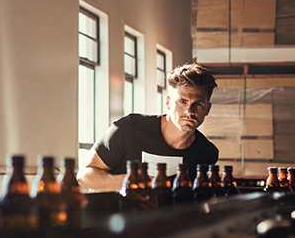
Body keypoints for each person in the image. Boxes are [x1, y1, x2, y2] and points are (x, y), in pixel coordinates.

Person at [77, 63, 218, 191]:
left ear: (207, 109)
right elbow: (84, 174)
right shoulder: (130, 128)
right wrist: (130, 181)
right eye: (182, 102)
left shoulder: (207, 153)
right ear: (168, 103)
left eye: (198, 104)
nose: (189, 111)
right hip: (118, 215)